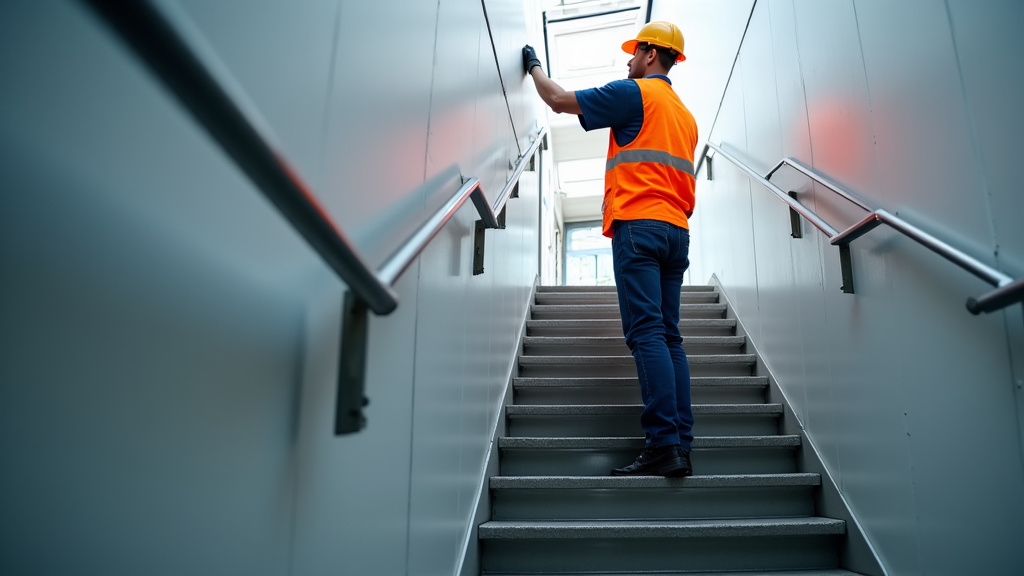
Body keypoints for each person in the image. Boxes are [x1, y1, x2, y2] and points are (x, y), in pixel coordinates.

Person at [522, 21, 698, 477]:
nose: (628, 61)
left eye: (634, 53)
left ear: (651, 54)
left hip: (639, 226)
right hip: (676, 230)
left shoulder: (634, 92)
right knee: (670, 336)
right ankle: (681, 440)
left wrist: (534, 67)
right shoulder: (685, 115)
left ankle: (663, 443)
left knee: (647, 334)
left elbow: (558, 101)